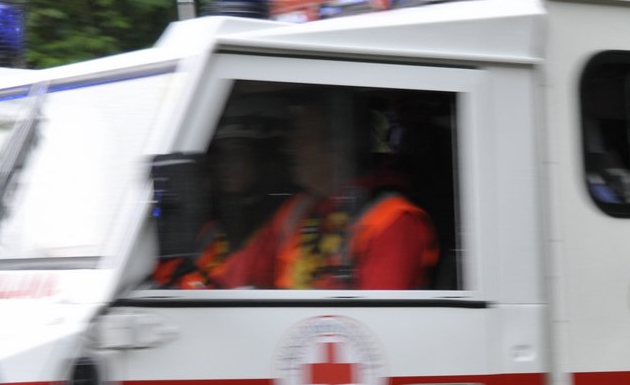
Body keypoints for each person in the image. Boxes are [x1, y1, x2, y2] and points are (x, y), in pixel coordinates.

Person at [202, 91, 439, 290]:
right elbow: (233, 277)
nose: (290, 148)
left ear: (336, 146)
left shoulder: (393, 220)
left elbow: (381, 324)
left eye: (302, 136)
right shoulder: (298, 210)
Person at [154, 93, 290, 288]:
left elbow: (232, 285)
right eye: (220, 155)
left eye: (236, 152)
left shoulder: (281, 224)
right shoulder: (212, 228)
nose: (224, 165)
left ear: (263, 158)